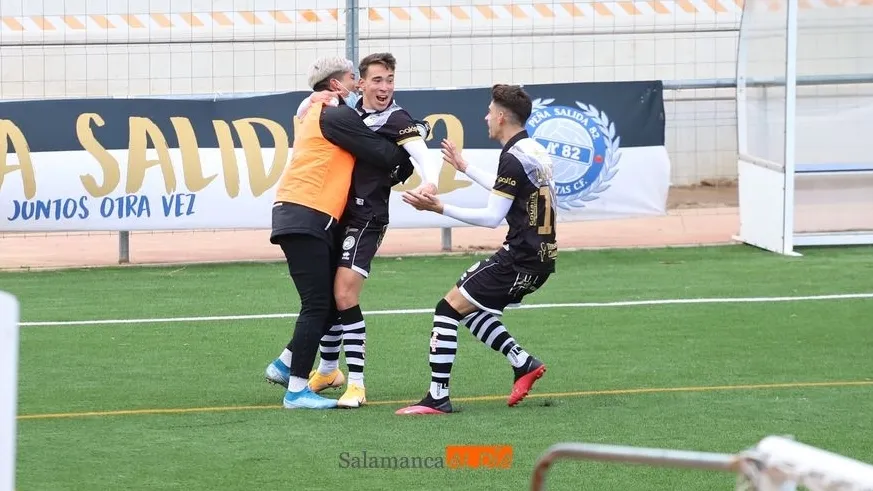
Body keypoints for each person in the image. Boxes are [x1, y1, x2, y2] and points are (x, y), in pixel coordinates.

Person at [395, 84, 558, 415]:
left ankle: (437, 397)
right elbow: (512, 187)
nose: (486, 117)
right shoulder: (534, 151)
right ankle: (522, 362)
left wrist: (439, 209)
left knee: (447, 308)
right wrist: (465, 167)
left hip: (518, 258)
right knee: (471, 309)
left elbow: (491, 217)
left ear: (501, 116)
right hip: (542, 259)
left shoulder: (512, 158)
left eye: (489, 111)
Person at [265, 56, 413, 410]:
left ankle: (289, 365)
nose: (359, 85)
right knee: (317, 304)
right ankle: (297, 390)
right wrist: (407, 150)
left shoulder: (319, 108)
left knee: (330, 298)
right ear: (335, 85)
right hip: (306, 214)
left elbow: (307, 103)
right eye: (353, 78)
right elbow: (379, 149)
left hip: (306, 215)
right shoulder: (335, 113)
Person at [300, 52, 442, 409]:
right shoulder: (349, 112)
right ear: (359, 83)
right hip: (336, 214)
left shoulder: (397, 118)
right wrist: (312, 97)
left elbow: (422, 152)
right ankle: (329, 370)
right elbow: (307, 110)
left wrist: (431, 181)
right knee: (331, 296)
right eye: (377, 80)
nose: (384, 87)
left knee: (345, 295)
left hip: (367, 218)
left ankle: (358, 384)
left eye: (390, 79)